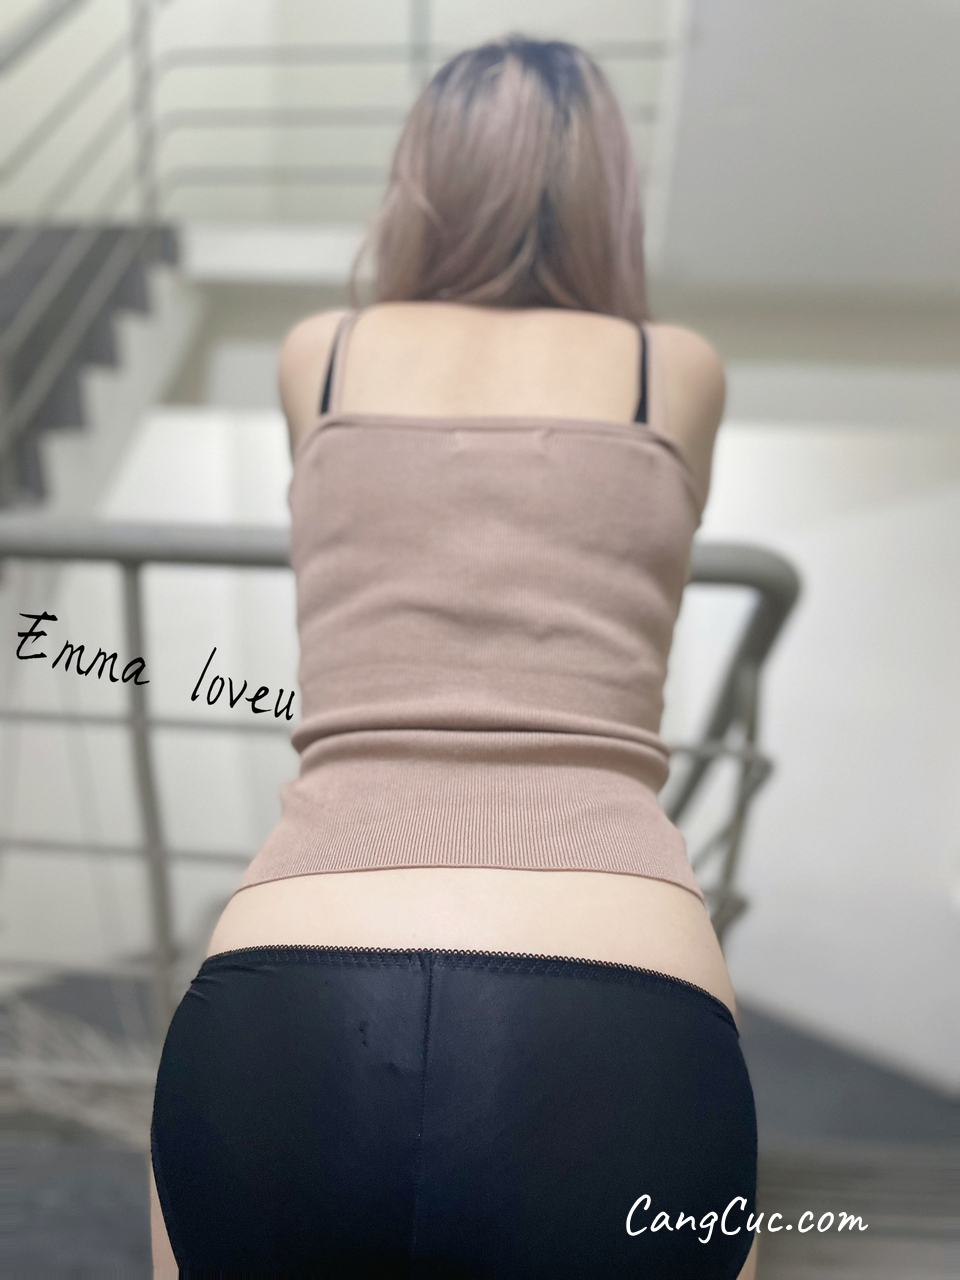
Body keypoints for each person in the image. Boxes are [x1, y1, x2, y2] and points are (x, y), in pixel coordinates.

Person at [149, 35, 758, 1279]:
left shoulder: (320, 354)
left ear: (420, 176)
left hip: (290, 980)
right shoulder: (675, 371)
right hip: (620, 988)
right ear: (609, 186)